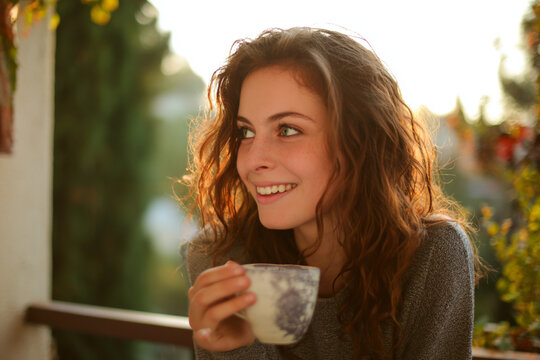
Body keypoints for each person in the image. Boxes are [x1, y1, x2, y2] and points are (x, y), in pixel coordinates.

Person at [181, 27, 482, 360]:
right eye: (246, 131)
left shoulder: (431, 259)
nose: (252, 161)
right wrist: (237, 349)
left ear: (358, 141)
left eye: (287, 129)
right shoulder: (220, 258)